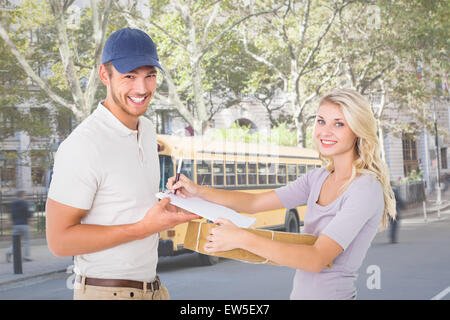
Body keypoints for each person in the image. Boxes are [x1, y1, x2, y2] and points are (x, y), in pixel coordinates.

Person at [167, 88, 396, 300]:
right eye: (321, 121)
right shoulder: (317, 178)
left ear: (358, 129)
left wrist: (241, 238)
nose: (325, 131)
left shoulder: (365, 188)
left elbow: (316, 259)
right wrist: (198, 191)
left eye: (339, 124)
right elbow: (254, 202)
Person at [46, 28, 199, 300]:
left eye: (149, 76)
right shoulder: (82, 145)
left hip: (153, 289)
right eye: (129, 76)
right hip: (105, 293)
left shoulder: (149, 130)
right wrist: (143, 228)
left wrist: (168, 204)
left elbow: (127, 206)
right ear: (105, 75)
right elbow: (59, 241)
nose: (142, 89)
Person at [6, 190, 33, 263]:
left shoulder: (13, 204)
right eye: (25, 195)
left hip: (16, 224)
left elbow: (11, 215)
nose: (26, 196)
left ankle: (9, 251)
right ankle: (26, 256)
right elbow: (29, 214)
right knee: (26, 241)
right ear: (23, 195)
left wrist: (12, 222)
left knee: (16, 241)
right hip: (24, 224)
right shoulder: (25, 203)